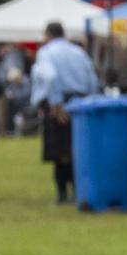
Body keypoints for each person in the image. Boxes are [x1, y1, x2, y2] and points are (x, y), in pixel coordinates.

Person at [29, 16, 99, 208]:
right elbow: (92, 80)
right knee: (78, 148)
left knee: (60, 150)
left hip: (58, 101)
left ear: (47, 35)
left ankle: (62, 193)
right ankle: (78, 190)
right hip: (81, 101)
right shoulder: (79, 52)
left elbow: (50, 77)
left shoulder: (46, 52)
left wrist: (56, 103)